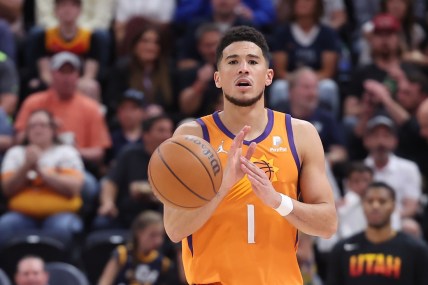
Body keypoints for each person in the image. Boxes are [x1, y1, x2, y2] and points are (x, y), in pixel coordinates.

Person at [163, 26, 337, 284]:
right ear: (218, 78)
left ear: (268, 76)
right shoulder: (192, 136)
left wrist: (277, 200)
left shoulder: (301, 134)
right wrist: (222, 189)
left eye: (252, 61)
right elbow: (175, 230)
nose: (243, 68)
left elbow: (327, 224)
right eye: (233, 61)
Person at [0, 109, 84, 246]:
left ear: (53, 129)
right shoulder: (15, 153)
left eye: (42, 125)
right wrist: (26, 166)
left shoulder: (67, 152)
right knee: (4, 225)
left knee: (62, 228)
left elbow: (74, 188)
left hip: (61, 213)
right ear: (26, 131)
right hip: (21, 214)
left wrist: (42, 172)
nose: (37, 130)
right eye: (32, 126)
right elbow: (7, 189)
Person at [326, 182, 428, 285]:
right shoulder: (342, 249)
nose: (375, 206)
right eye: (370, 201)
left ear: (393, 206)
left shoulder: (416, 249)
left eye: (382, 201)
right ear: (363, 205)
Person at [94, 115, 174, 230]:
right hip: (125, 213)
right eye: (161, 130)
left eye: (169, 131)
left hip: (158, 217)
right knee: (101, 222)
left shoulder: (175, 160)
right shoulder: (129, 153)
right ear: (146, 135)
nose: (167, 136)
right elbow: (111, 182)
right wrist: (108, 203)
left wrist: (148, 193)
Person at [363, 115, 422, 219]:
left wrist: (388, 220)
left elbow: (411, 207)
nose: (381, 142)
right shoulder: (358, 170)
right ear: (366, 140)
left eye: (386, 136)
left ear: (395, 140)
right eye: (375, 136)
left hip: (399, 221)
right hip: (363, 221)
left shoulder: (409, 168)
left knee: (411, 228)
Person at [98, 211, 177, 285]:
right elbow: (104, 282)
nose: (158, 241)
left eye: (161, 235)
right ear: (138, 233)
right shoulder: (122, 254)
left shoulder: (163, 263)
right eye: (152, 235)